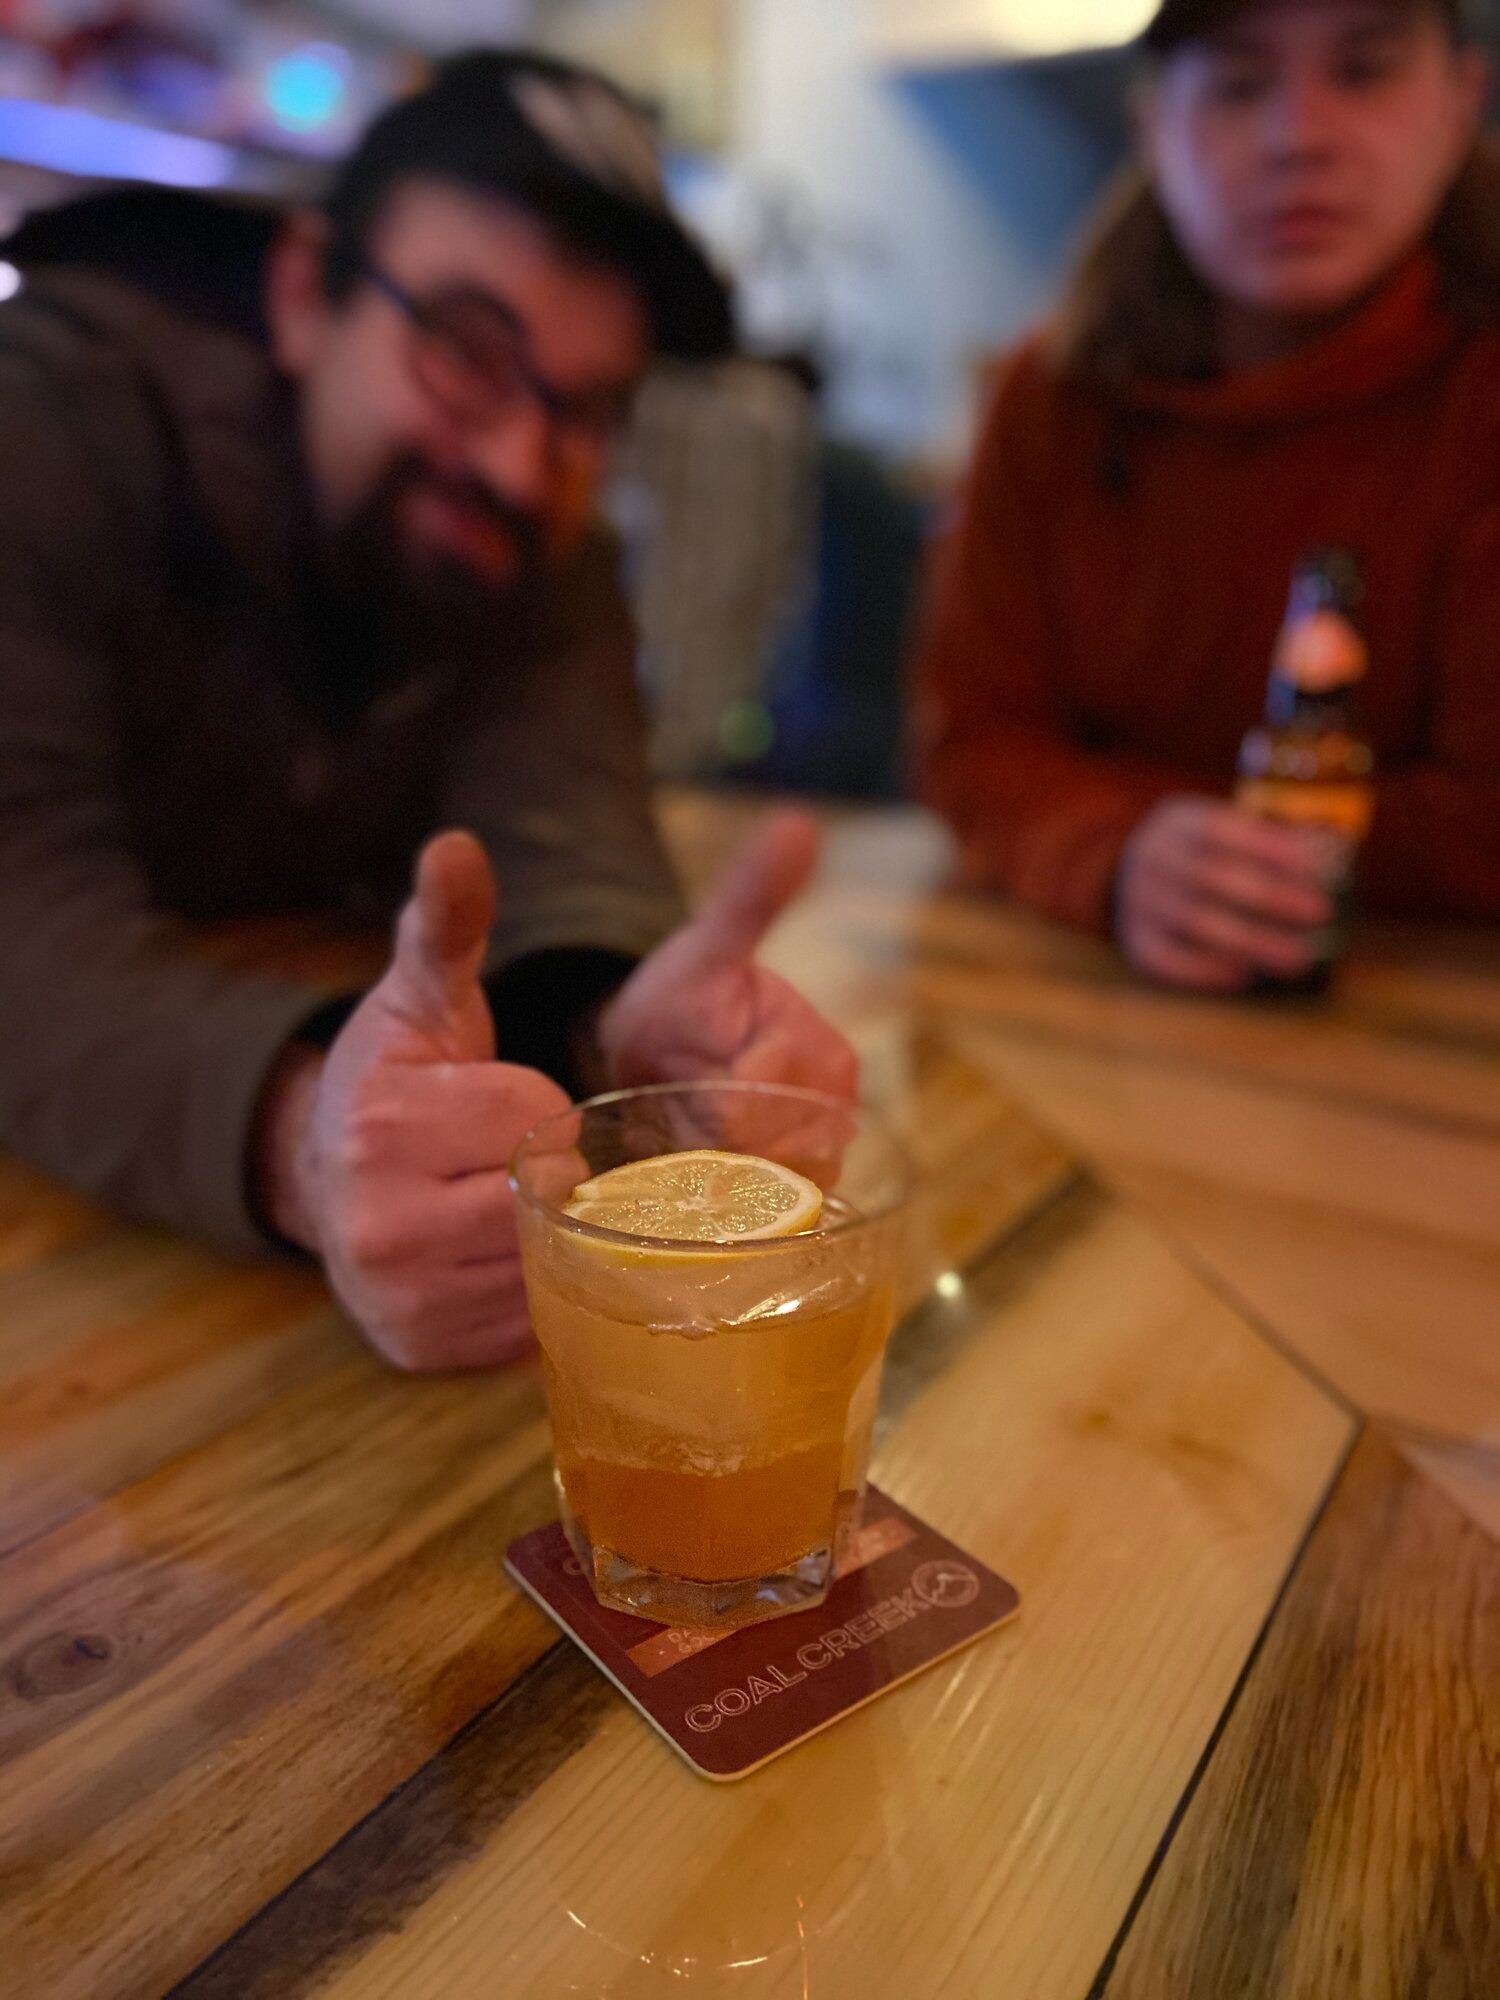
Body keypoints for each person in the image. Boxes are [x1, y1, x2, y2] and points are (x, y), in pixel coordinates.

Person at [0, 51, 856, 1371]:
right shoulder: (43, 427)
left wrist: (628, 1032)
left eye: (584, 410)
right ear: (303, 296)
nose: (521, 459)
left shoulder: (544, 556)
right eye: (466, 352)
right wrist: (296, 1139)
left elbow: (567, 832)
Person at [917, 0, 1500, 993]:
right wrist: (1121, 853)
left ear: (1460, 102)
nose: (1300, 137)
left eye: (1363, 72)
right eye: (1238, 84)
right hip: (1085, 1011)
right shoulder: (1052, 397)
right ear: (1151, 125)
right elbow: (967, 741)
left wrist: (1126, 807)